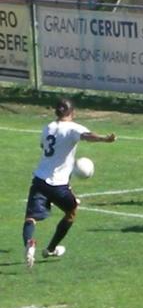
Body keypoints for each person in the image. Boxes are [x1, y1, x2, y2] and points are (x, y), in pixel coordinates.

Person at [23, 98, 116, 268]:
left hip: (39, 180)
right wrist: (104, 139)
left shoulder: (48, 127)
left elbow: (42, 146)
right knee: (71, 211)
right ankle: (50, 248)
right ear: (72, 112)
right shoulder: (73, 127)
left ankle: (29, 243)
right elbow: (88, 136)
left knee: (31, 217)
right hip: (58, 185)